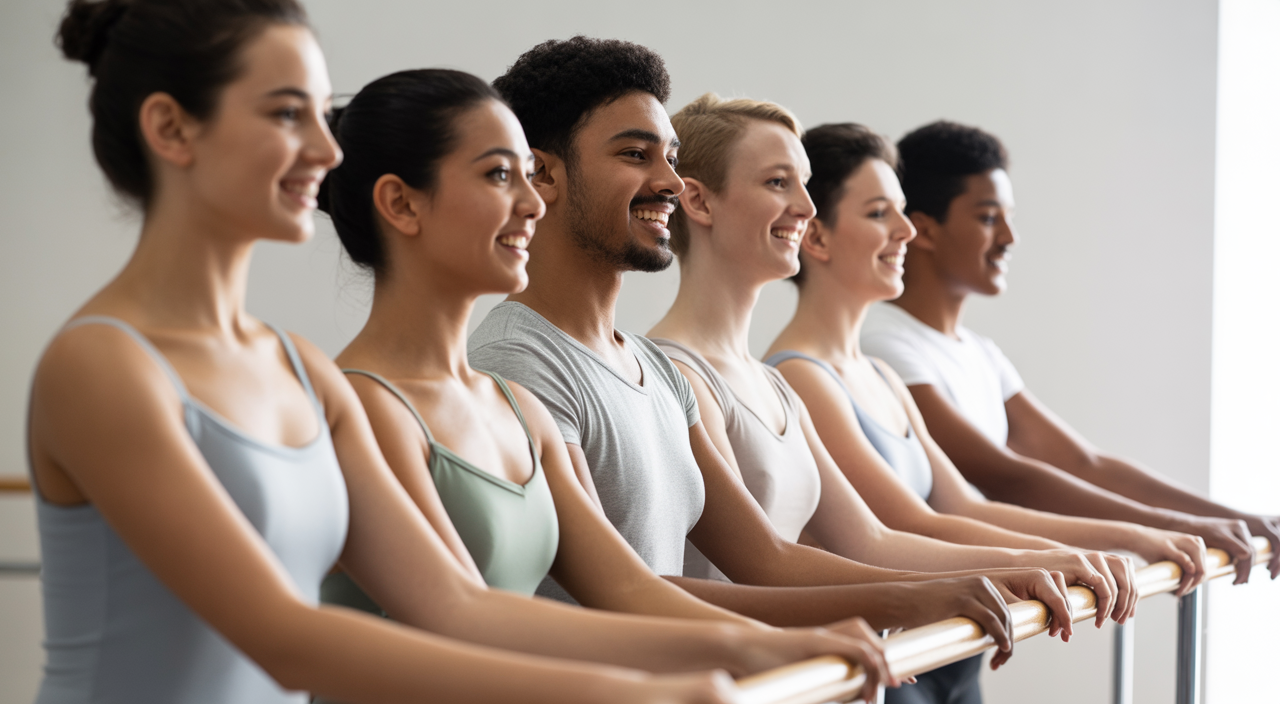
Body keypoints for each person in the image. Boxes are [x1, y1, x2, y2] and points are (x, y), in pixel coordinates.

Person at [25, 2, 837, 701]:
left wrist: (750, 646)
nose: (326, 146)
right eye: (285, 114)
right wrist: (635, 689)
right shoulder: (103, 366)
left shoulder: (300, 371)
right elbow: (285, 637)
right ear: (171, 128)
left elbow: (458, 603)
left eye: (320, 111)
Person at [467, 36, 1076, 661]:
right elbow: (626, 590)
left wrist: (948, 587)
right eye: (634, 155)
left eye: (671, 159)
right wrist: (897, 603)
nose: (670, 183)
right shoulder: (522, 361)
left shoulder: (654, 369)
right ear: (542, 173)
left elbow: (769, 558)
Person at [313, 66, 900, 697]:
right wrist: (731, 654)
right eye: (498, 175)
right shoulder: (370, 402)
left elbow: (629, 586)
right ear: (402, 203)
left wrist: (773, 645)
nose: (532, 202)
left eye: (525, 175)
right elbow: (461, 613)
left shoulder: (517, 408)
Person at [759, 122, 1216, 703]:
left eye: (901, 211)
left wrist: (1122, 541)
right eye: (880, 214)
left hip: (951, 647)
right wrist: (1084, 552)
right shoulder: (801, 375)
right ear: (816, 238)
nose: (906, 230)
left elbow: (969, 506)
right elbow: (906, 526)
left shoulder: (880, 375)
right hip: (883, 660)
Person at [858, 120, 1279, 583]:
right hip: (926, 594)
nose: (1009, 239)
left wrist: (1232, 518)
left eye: (1009, 218)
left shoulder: (979, 353)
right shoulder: (885, 344)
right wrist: (1170, 529)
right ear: (926, 230)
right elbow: (1008, 476)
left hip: (976, 599)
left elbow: (1084, 463)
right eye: (988, 217)